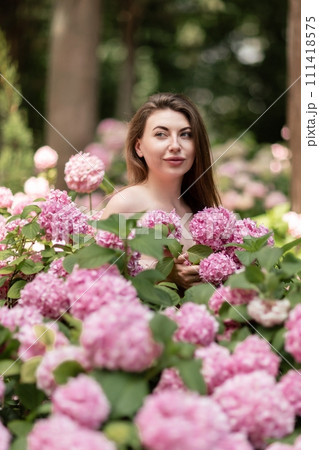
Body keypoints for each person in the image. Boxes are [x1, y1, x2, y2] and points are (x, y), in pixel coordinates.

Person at [101, 92, 221, 289]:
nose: (175, 145)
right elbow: (96, 278)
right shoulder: (125, 203)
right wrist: (166, 275)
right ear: (139, 147)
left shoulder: (201, 211)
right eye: (161, 134)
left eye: (185, 134)